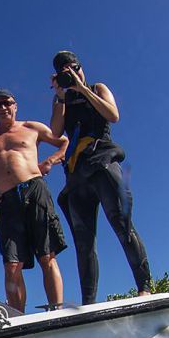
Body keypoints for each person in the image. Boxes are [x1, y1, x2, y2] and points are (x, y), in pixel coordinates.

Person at [49, 50, 152, 305]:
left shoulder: (97, 87)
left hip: (102, 161)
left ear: (80, 67)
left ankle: (144, 288)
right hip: (75, 172)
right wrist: (61, 97)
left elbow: (112, 115)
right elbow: (55, 132)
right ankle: (89, 304)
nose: (71, 73)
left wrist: (83, 89)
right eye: (65, 71)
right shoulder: (60, 99)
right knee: (84, 242)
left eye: (73, 67)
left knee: (121, 223)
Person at [0, 89, 69, 312]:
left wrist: (50, 161)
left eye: (7, 103)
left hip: (35, 190)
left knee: (47, 255)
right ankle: (17, 317)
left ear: (15, 105)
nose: (3, 107)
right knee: (12, 264)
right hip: (6, 201)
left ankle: (56, 310)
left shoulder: (32, 127)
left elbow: (64, 141)